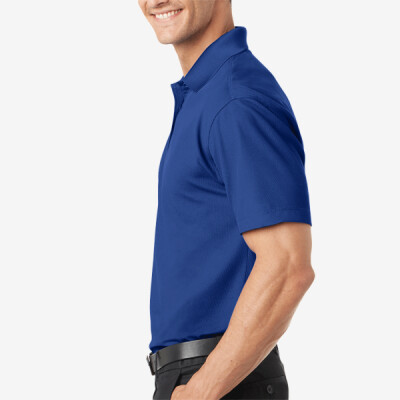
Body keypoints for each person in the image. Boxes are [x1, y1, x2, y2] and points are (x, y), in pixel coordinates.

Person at [138, 1, 315, 399]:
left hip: (220, 380)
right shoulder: (211, 93)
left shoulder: (236, 100)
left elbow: (288, 266)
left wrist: (201, 390)